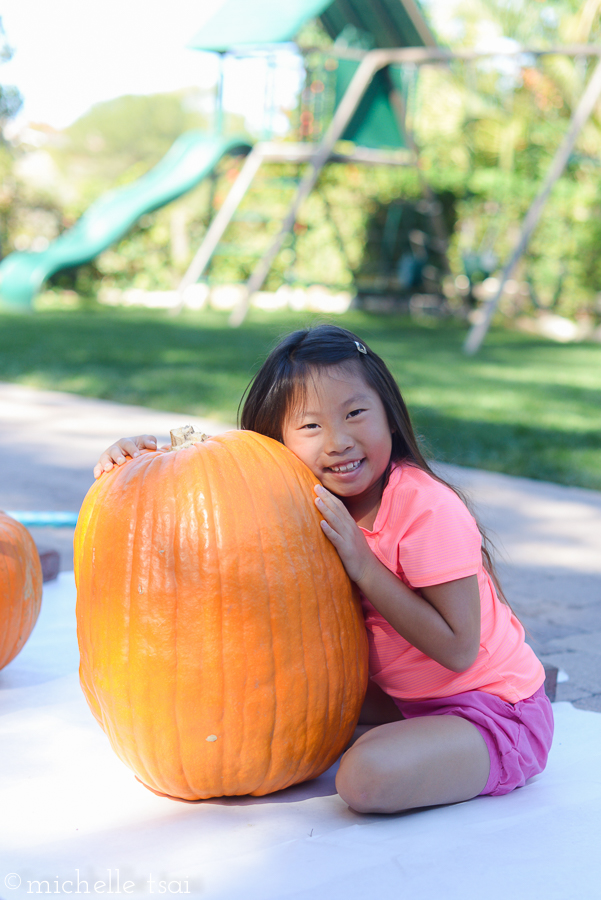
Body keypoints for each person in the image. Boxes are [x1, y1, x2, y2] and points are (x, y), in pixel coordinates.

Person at [94, 324, 553, 814]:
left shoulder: (425, 509)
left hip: (494, 708)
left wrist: (363, 563)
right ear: (280, 441)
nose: (338, 441)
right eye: (310, 427)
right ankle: (410, 739)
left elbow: (460, 650)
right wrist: (142, 458)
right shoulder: (305, 499)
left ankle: (460, 752)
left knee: (365, 779)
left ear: (391, 417)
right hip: (401, 702)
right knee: (247, 721)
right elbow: (217, 487)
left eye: (355, 413)